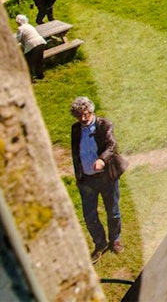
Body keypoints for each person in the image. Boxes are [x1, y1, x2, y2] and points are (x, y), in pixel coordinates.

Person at [70, 97, 128, 263]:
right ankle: (100, 243)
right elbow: (76, 153)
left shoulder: (104, 125)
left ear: (91, 111)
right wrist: (79, 176)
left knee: (113, 210)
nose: (82, 119)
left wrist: (102, 159)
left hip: (106, 177)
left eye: (85, 114)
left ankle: (115, 239)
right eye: (79, 116)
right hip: (87, 179)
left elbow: (112, 145)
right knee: (89, 215)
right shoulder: (75, 129)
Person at [14, 15, 47, 80]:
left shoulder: (20, 28)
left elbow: (18, 39)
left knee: (28, 62)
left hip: (32, 45)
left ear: (19, 22)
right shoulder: (29, 25)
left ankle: (29, 77)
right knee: (39, 60)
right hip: (41, 42)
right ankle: (40, 76)